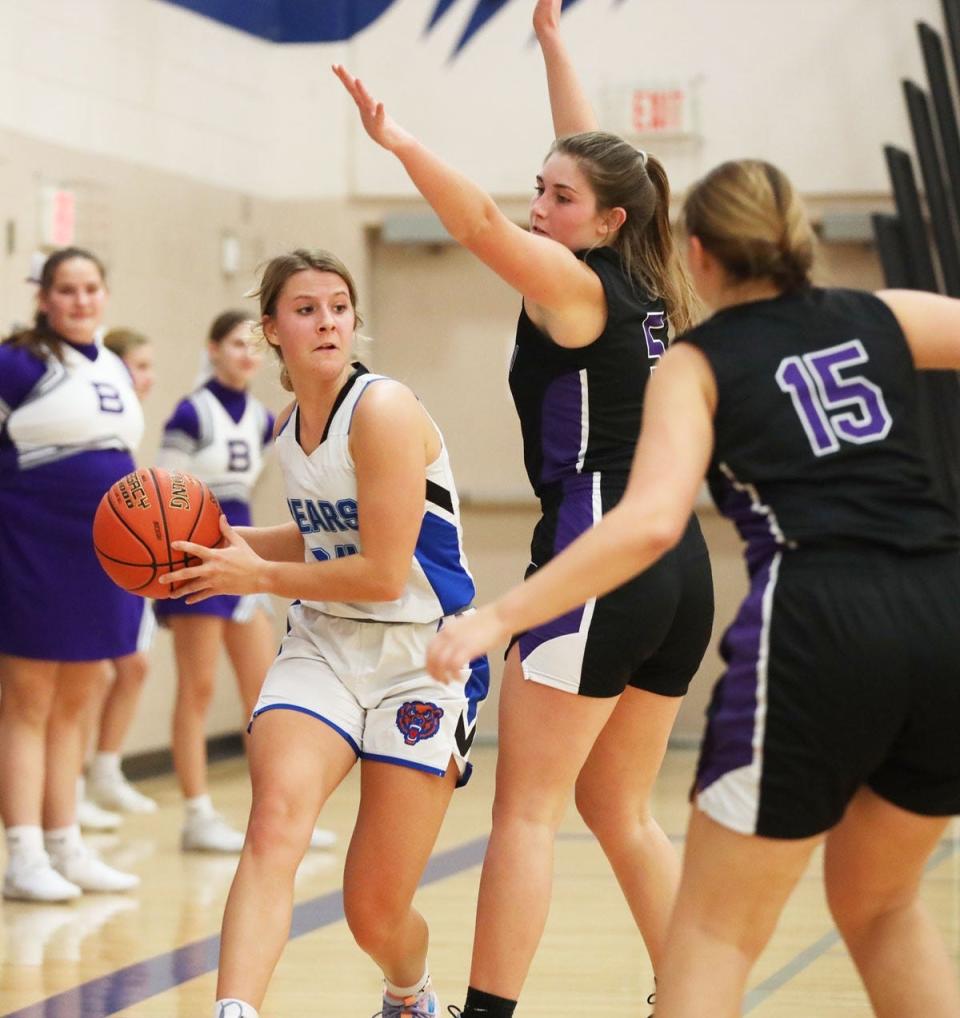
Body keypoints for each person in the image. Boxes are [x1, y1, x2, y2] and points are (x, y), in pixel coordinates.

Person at [427, 158, 960, 1018]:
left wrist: (499, 616)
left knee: (697, 929)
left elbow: (646, 523)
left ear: (700, 252)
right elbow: (601, 164)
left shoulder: (697, 357)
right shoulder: (879, 315)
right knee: (882, 905)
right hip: (943, 610)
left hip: (809, 615)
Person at [335, 2, 714, 1013]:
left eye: (558, 196)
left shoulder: (572, 283)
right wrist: (552, 44)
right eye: (540, 188)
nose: (537, 202)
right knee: (618, 804)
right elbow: (598, 159)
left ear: (605, 221)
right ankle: (697, 989)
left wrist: (400, 140)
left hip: (597, 556)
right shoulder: (648, 275)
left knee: (529, 811)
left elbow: (474, 225)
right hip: (677, 567)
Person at [157, 248, 489, 1018]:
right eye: (306, 308)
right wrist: (221, 542)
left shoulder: (383, 410)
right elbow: (319, 539)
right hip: (325, 647)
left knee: (372, 908)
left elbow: (380, 569)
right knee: (273, 823)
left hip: (423, 657)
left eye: (339, 306)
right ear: (271, 328)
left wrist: (257, 577)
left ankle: (410, 992)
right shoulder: (288, 425)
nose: (328, 320)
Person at [154, 310, 335, 853]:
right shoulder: (191, 413)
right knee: (198, 688)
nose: (246, 355)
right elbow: (161, 497)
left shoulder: (264, 417)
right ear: (212, 349)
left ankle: (275, 812)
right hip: (195, 554)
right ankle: (196, 813)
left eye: (252, 346)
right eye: (235, 344)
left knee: (264, 694)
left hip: (238, 547)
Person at [0, 246, 142, 901]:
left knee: (80, 696)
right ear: (45, 298)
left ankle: (66, 844)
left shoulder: (111, 361)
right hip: (32, 543)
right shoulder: (19, 363)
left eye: (91, 288)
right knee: (28, 701)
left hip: (105, 549)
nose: (81, 301)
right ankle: (23, 853)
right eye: (68, 290)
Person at [78, 328, 160, 817]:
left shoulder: (125, 417)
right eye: (140, 366)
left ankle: (103, 771)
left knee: (131, 666)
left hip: (126, 549)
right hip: (84, 549)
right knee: (87, 671)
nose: (148, 377)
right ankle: (73, 784)